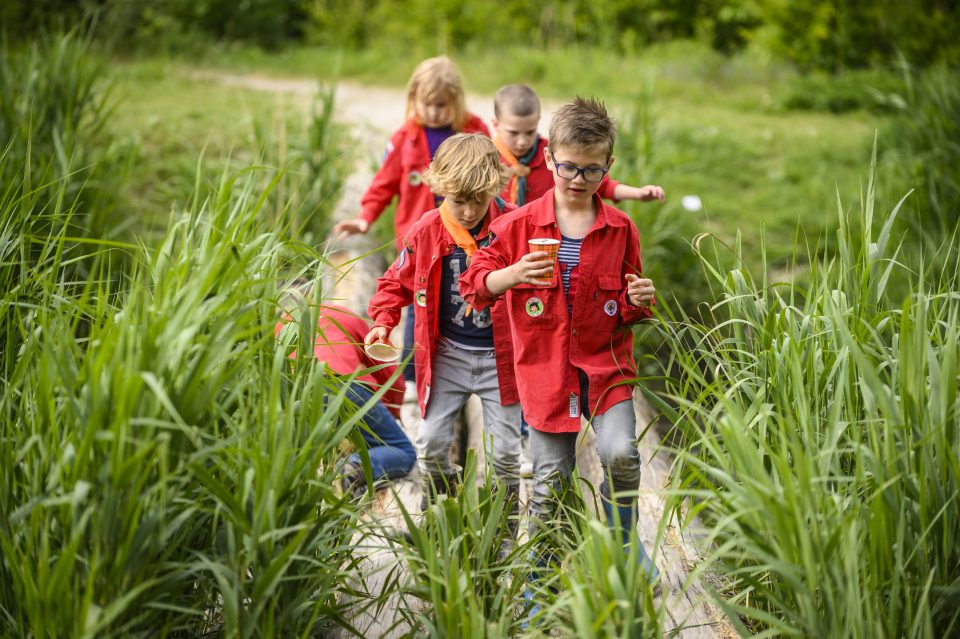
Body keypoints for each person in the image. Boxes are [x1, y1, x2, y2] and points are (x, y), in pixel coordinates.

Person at [460, 97, 663, 592]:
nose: (577, 179)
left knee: (620, 454)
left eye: (591, 171)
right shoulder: (516, 226)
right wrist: (511, 273)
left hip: (605, 369)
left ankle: (624, 547)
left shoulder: (620, 229)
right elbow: (473, 286)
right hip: (546, 373)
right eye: (568, 166)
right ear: (549, 158)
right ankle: (540, 578)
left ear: (608, 168)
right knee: (551, 482)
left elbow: (631, 302)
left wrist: (641, 298)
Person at [364, 134, 522, 532]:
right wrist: (382, 322)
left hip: (500, 360)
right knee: (431, 446)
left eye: (477, 201)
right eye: (458, 201)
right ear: (440, 189)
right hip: (446, 355)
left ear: (493, 189)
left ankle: (503, 529)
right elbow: (393, 282)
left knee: (505, 454)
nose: (468, 212)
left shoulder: (514, 226)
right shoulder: (427, 230)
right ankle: (442, 510)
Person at [334, 56, 490, 388]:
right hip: (421, 239)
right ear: (413, 100)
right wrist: (365, 218)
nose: (434, 112)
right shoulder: (406, 138)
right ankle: (411, 374)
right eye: (427, 104)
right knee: (420, 301)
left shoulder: (474, 130)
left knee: (463, 296)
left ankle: (471, 368)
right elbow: (384, 183)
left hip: (472, 235)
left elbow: (492, 177)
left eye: (442, 105)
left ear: (457, 100)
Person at [275, 301, 416, 499]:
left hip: (300, 397)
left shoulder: (281, 325)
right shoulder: (345, 316)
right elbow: (389, 375)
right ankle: (352, 469)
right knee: (404, 451)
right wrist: (394, 414)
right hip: (345, 384)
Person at [492, 83, 665, 207]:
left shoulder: (560, 153)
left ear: (538, 122)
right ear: (495, 124)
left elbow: (603, 185)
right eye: (513, 133)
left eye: (530, 132)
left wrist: (638, 193)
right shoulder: (487, 158)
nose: (522, 141)